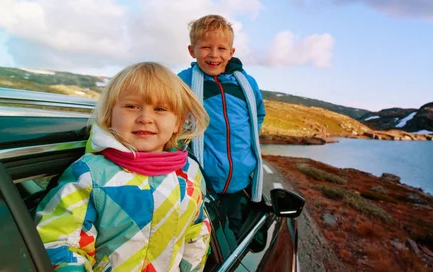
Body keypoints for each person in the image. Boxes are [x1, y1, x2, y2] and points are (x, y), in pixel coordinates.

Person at [35, 62, 211, 272]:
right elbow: (59, 241)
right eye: (132, 106)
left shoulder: (189, 172)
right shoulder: (90, 174)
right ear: (110, 116)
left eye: (160, 109)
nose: (145, 118)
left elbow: (197, 232)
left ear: (177, 123)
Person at [178, 14, 265, 238]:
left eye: (221, 48)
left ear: (231, 53)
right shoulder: (183, 82)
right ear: (192, 51)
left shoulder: (246, 83)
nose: (214, 55)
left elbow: (258, 115)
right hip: (202, 181)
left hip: (239, 182)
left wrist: (246, 150)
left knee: (232, 233)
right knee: (202, 236)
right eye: (206, 47)